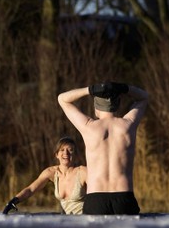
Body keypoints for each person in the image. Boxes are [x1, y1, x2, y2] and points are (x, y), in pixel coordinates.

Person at [58, 81, 149, 215]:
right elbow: (144, 97)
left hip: (96, 198)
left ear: (96, 108)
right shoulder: (128, 125)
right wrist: (124, 88)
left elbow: (63, 99)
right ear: (117, 105)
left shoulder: (88, 127)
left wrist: (89, 89)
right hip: (124, 197)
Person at [3, 137, 87, 215]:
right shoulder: (51, 172)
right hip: (67, 221)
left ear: (75, 154)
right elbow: (31, 189)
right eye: (62, 150)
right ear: (57, 155)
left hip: (85, 221)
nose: (66, 153)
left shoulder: (83, 172)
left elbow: (99, 192)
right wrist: (14, 201)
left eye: (70, 150)